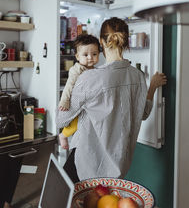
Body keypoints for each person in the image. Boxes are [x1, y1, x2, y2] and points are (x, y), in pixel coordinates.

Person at [56, 17, 167, 183]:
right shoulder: (137, 76)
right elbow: (143, 112)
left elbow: (61, 120)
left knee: (64, 200)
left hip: (87, 164)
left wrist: (72, 82)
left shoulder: (89, 77)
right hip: (119, 166)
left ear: (101, 42)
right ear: (126, 41)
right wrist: (152, 87)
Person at [59, 34, 100, 150]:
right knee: (75, 123)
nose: (90, 57)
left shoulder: (96, 71)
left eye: (94, 54)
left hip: (87, 103)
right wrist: (64, 101)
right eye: (85, 55)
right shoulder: (76, 70)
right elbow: (69, 86)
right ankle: (63, 135)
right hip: (74, 102)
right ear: (77, 56)